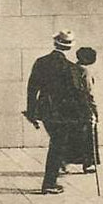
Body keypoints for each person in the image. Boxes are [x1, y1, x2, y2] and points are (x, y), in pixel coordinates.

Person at [24, 30, 79, 194]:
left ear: (55, 43)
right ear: (69, 48)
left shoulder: (40, 62)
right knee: (57, 145)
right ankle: (49, 182)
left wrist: (31, 111)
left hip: (44, 109)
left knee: (57, 143)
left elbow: (32, 88)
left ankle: (57, 171)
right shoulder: (69, 68)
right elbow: (73, 94)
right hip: (62, 112)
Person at [67, 47, 100, 174]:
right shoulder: (85, 71)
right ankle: (88, 163)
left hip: (70, 106)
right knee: (88, 136)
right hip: (83, 106)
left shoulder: (71, 69)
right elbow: (89, 93)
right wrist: (94, 111)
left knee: (71, 135)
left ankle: (64, 163)